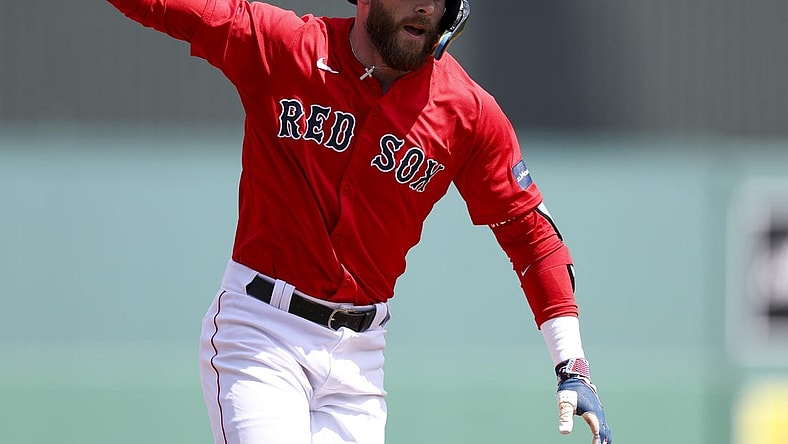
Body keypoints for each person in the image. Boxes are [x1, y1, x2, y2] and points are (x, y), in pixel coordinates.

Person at [105, 0, 613, 443]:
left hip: (360, 360)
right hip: (263, 332)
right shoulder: (287, 46)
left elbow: (531, 235)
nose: (426, 7)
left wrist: (573, 366)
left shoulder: (468, 112)